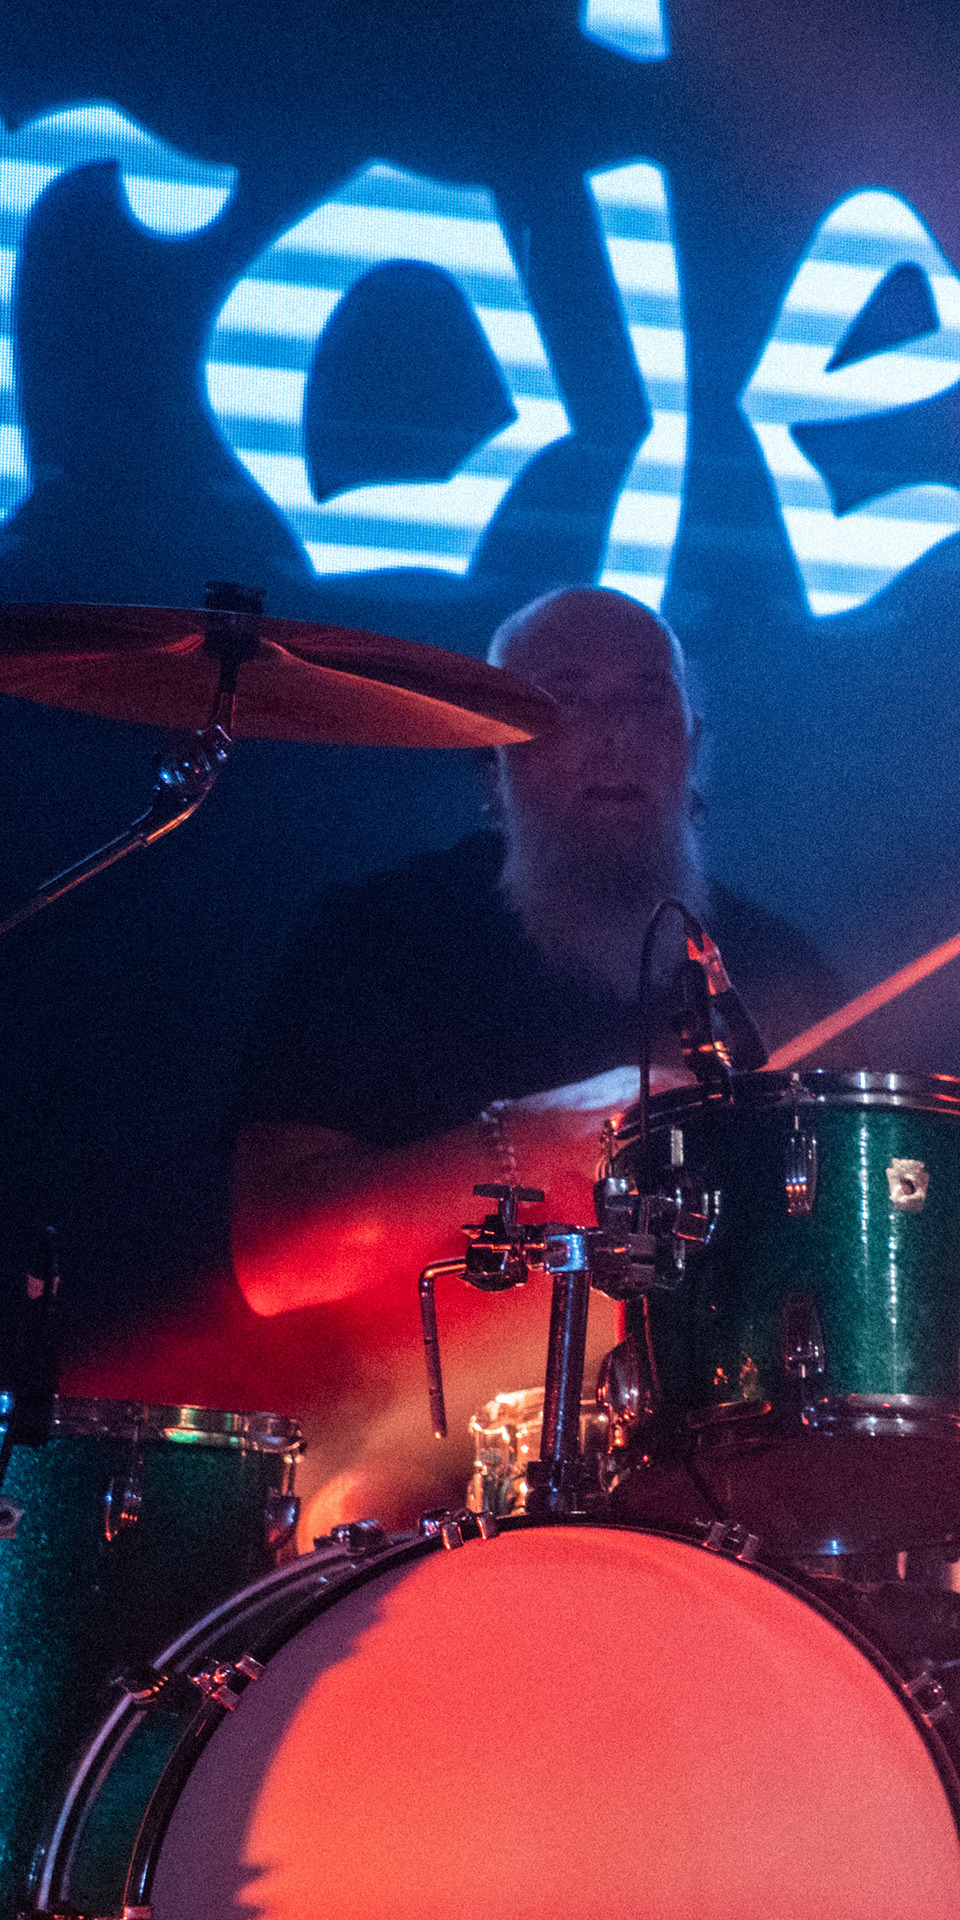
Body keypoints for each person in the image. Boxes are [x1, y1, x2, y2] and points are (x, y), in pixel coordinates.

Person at [229, 585, 842, 1534]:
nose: (614, 734)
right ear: (491, 750)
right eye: (567, 699)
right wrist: (530, 1140)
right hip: (430, 1451)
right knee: (360, 1509)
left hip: (727, 1451)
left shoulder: (775, 968)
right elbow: (275, 1261)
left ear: (693, 743)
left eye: (646, 700)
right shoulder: (380, 938)